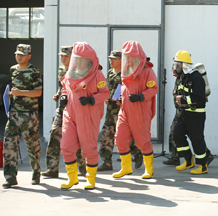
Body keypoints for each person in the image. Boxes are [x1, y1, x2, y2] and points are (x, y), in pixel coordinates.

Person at [60, 42, 110, 189]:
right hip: (70, 114)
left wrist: (91, 99)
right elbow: (65, 87)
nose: (79, 62)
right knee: (66, 146)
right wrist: (64, 96)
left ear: (90, 61)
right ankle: (72, 178)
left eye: (82, 59)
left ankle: (91, 179)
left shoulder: (97, 75)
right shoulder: (71, 72)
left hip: (88, 116)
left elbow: (105, 93)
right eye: (77, 58)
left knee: (88, 149)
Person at [113, 41, 159, 179]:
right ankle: (126, 168)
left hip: (140, 112)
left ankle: (149, 169)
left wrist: (140, 96)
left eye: (133, 57)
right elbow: (122, 85)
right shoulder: (126, 70)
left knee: (142, 142)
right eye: (127, 57)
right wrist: (117, 96)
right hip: (125, 110)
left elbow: (154, 89)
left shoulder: (147, 71)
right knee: (120, 139)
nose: (130, 60)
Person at [42, 46, 86, 178]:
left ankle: (82, 166)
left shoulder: (80, 70)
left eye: (66, 56)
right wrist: (57, 94)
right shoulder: (61, 69)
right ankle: (52, 168)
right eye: (61, 56)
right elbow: (61, 86)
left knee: (76, 139)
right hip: (62, 110)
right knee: (54, 135)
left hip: (75, 111)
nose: (63, 59)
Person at [2, 44, 43, 188]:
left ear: (29, 56)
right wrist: (11, 94)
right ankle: (10, 176)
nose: (19, 57)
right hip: (14, 112)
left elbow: (38, 92)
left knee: (32, 145)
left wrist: (21, 93)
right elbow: (13, 88)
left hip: (29, 114)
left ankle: (36, 172)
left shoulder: (33, 71)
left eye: (22, 54)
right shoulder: (13, 69)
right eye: (17, 54)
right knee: (9, 144)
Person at [98, 50, 142, 171]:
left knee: (126, 136)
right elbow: (108, 88)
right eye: (110, 58)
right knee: (106, 136)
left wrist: (119, 98)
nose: (111, 61)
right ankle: (106, 162)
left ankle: (138, 153)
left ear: (121, 60)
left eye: (114, 59)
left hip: (122, 110)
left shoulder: (126, 74)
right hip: (110, 111)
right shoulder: (110, 73)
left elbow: (127, 89)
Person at [172, 50, 210, 174]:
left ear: (184, 64)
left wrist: (182, 99)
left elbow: (199, 97)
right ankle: (188, 161)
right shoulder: (184, 76)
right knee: (177, 135)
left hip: (196, 114)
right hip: (184, 114)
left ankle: (202, 166)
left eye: (177, 64)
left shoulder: (196, 77)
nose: (176, 67)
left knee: (196, 139)